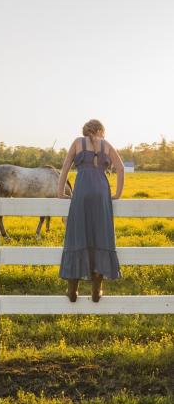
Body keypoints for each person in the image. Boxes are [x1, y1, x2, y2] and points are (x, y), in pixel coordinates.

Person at [57, 119, 124, 302]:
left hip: (82, 191)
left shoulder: (78, 143)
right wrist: (117, 193)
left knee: (77, 234)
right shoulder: (107, 145)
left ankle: (72, 290)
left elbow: (64, 169)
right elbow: (121, 168)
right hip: (101, 192)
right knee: (101, 235)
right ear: (101, 130)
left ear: (85, 131)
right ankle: (96, 288)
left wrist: (60, 191)